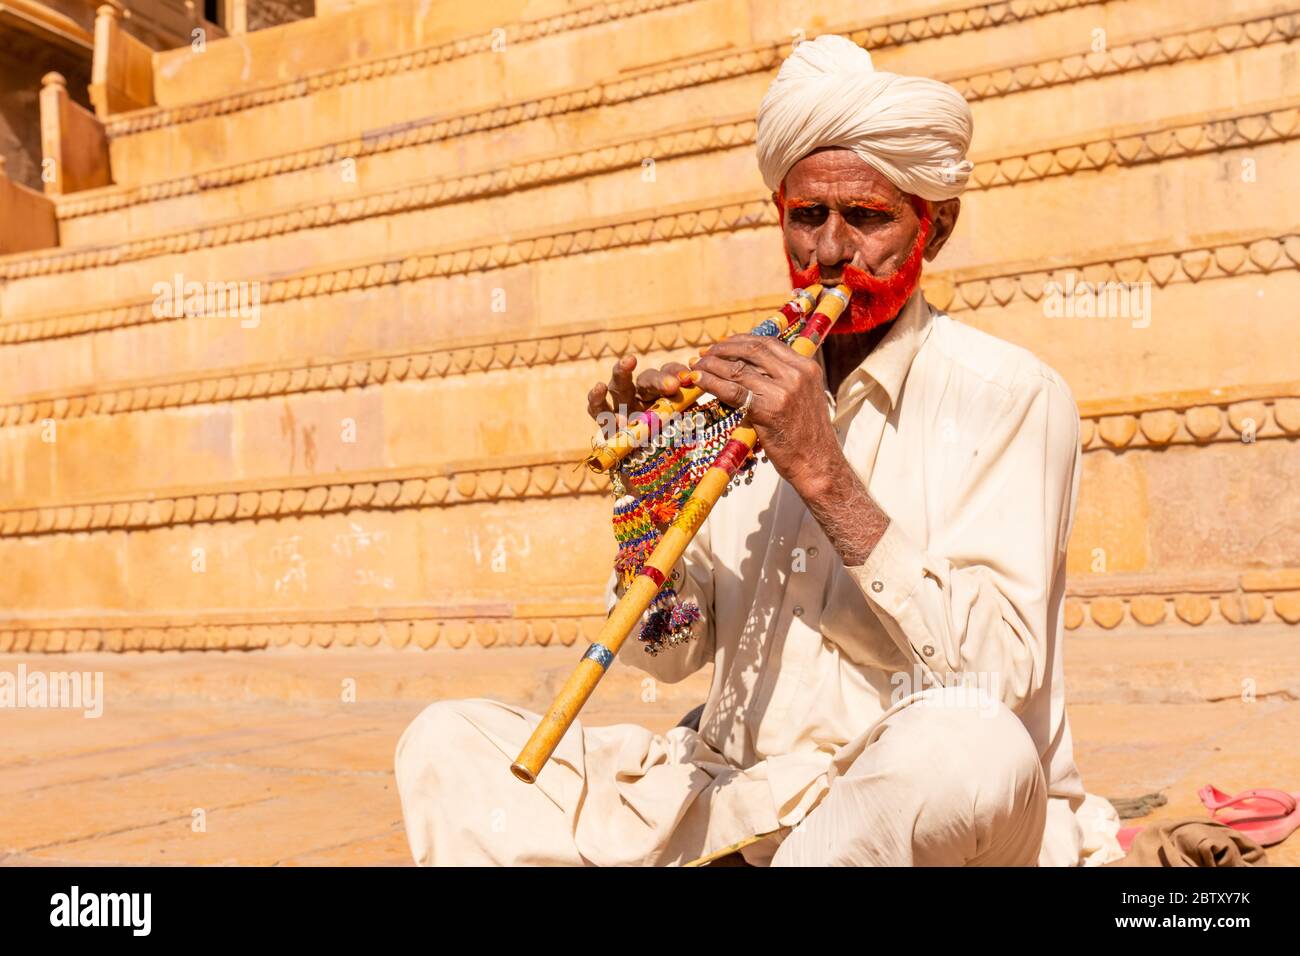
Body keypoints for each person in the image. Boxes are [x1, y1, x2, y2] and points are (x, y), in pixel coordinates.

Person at [395, 34, 1121, 867]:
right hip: (732, 795)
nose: (830, 251)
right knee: (449, 743)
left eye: (868, 218)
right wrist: (647, 503)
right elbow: (666, 655)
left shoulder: (1008, 393)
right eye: (807, 217)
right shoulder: (733, 403)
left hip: (888, 799)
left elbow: (998, 674)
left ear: (935, 226)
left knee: (970, 743)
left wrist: (818, 466)